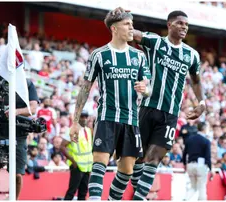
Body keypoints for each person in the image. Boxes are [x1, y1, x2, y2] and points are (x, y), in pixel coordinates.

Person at [111, 8, 206, 200]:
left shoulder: (191, 55)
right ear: (169, 24)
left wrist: (201, 101)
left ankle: (138, 198)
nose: (184, 27)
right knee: (131, 162)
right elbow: (130, 34)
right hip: (146, 109)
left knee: (153, 159)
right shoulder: (155, 42)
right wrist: (120, 18)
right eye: (180, 23)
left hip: (169, 115)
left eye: (186, 25)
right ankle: (114, 197)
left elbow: (196, 80)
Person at [69, 10, 151, 201]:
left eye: (132, 24)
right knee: (99, 162)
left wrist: (145, 89)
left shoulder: (138, 56)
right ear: (114, 28)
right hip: (107, 116)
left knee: (127, 170)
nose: (132, 28)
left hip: (131, 119)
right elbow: (85, 88)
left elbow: (149, 89)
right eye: (127, 24)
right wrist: (75, 122)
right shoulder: (99, 55)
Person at [0, 76, 39, 200]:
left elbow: (32, 109)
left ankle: (13, 199)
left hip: (19, 133)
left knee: (17, 174)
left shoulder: (27, 84)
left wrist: (16, 111)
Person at [61, 111, 93, 200]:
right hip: (77, 165)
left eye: (86, 116)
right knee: (72, 191)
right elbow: (62, 147)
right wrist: (73, 161)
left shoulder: (88, 130)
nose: (84, 119)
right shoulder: (72, 130)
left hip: (87, 166)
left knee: (83, 192)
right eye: (82, 116)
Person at [182, 123, 213, 200]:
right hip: (201, 166)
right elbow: (208, 157)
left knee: (193, 187)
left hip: (190, 165)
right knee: (202, 187)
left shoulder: (189, 139)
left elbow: (184, 153)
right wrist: (211, 169)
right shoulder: (206, 141)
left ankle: (185, 199)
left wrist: (185, 164)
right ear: (204, 128)